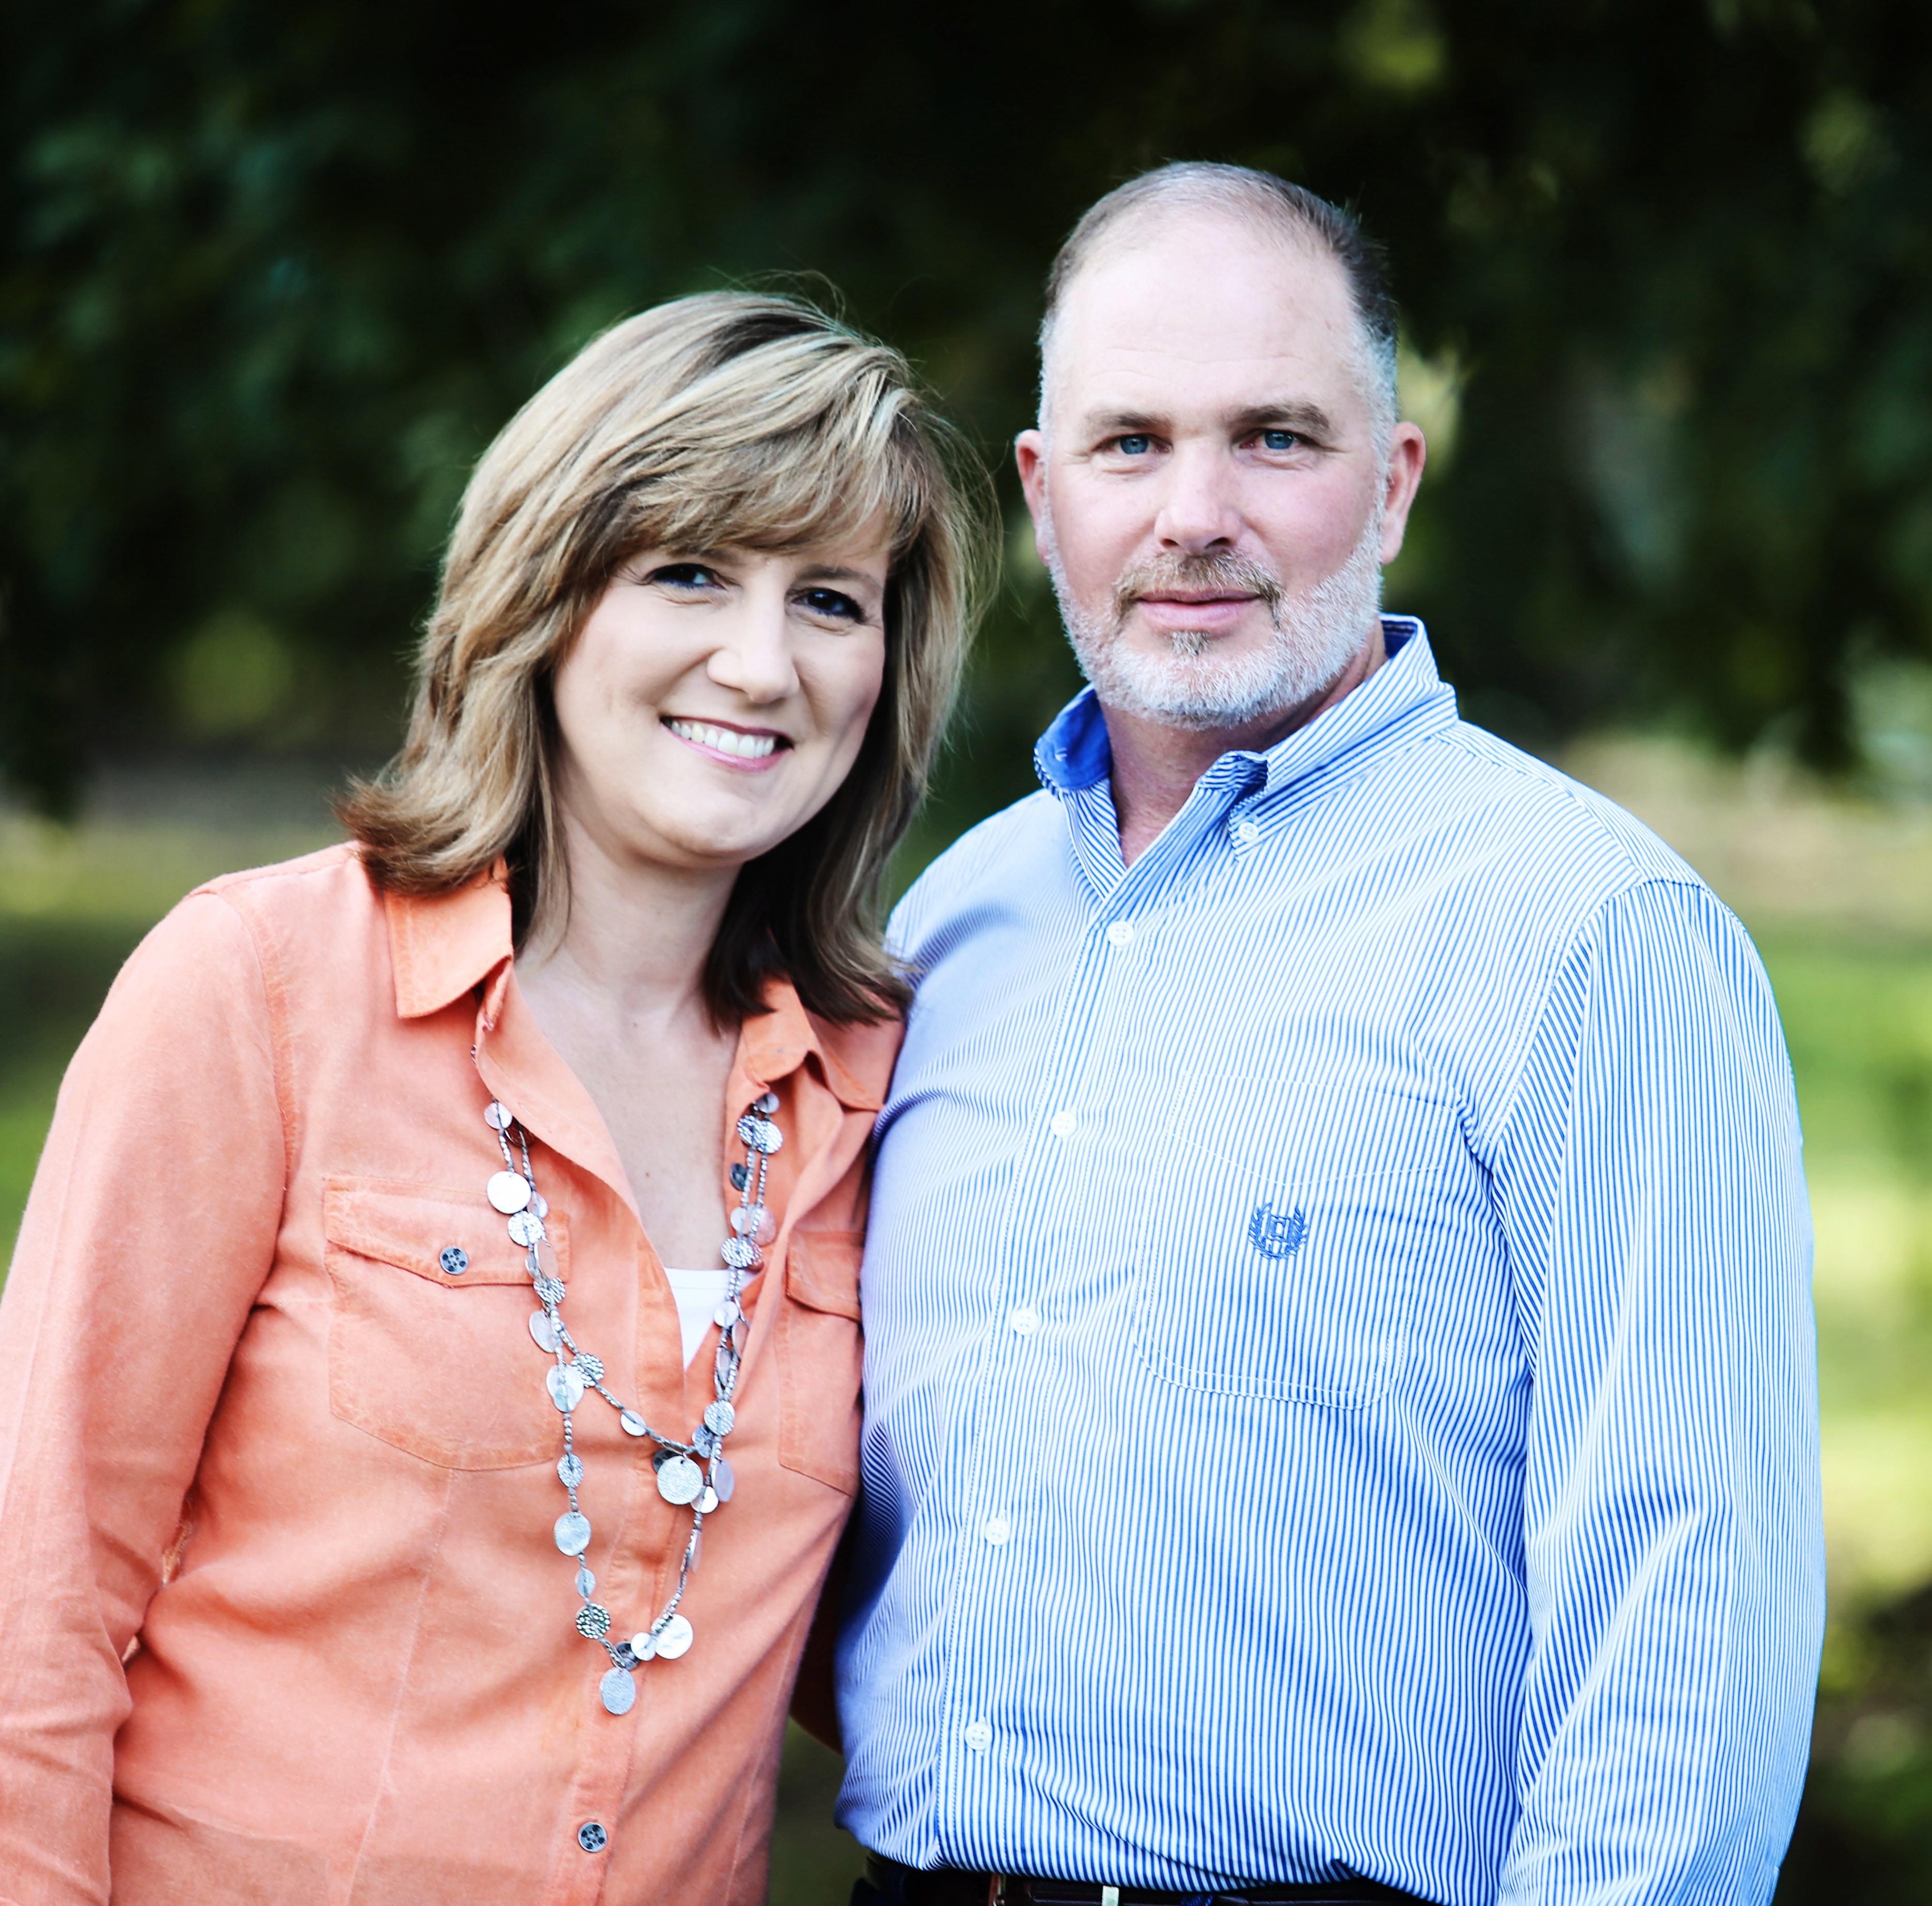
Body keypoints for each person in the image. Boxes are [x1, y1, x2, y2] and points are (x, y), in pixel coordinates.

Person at [833, 165, 1823, 1905]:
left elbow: (1691, 1618)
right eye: (1130, 444)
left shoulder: (1589, 937)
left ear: (1393, 484)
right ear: (1045, 495)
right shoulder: (951, 930)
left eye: (1276, 437)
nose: (1194, 513)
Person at [0, 291, 986, 1905]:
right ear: (545, 596)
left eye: (830, 599)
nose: (761, 663)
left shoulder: (885, 1089)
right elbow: (31, 1604)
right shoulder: (256, 988)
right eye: (689, 572)